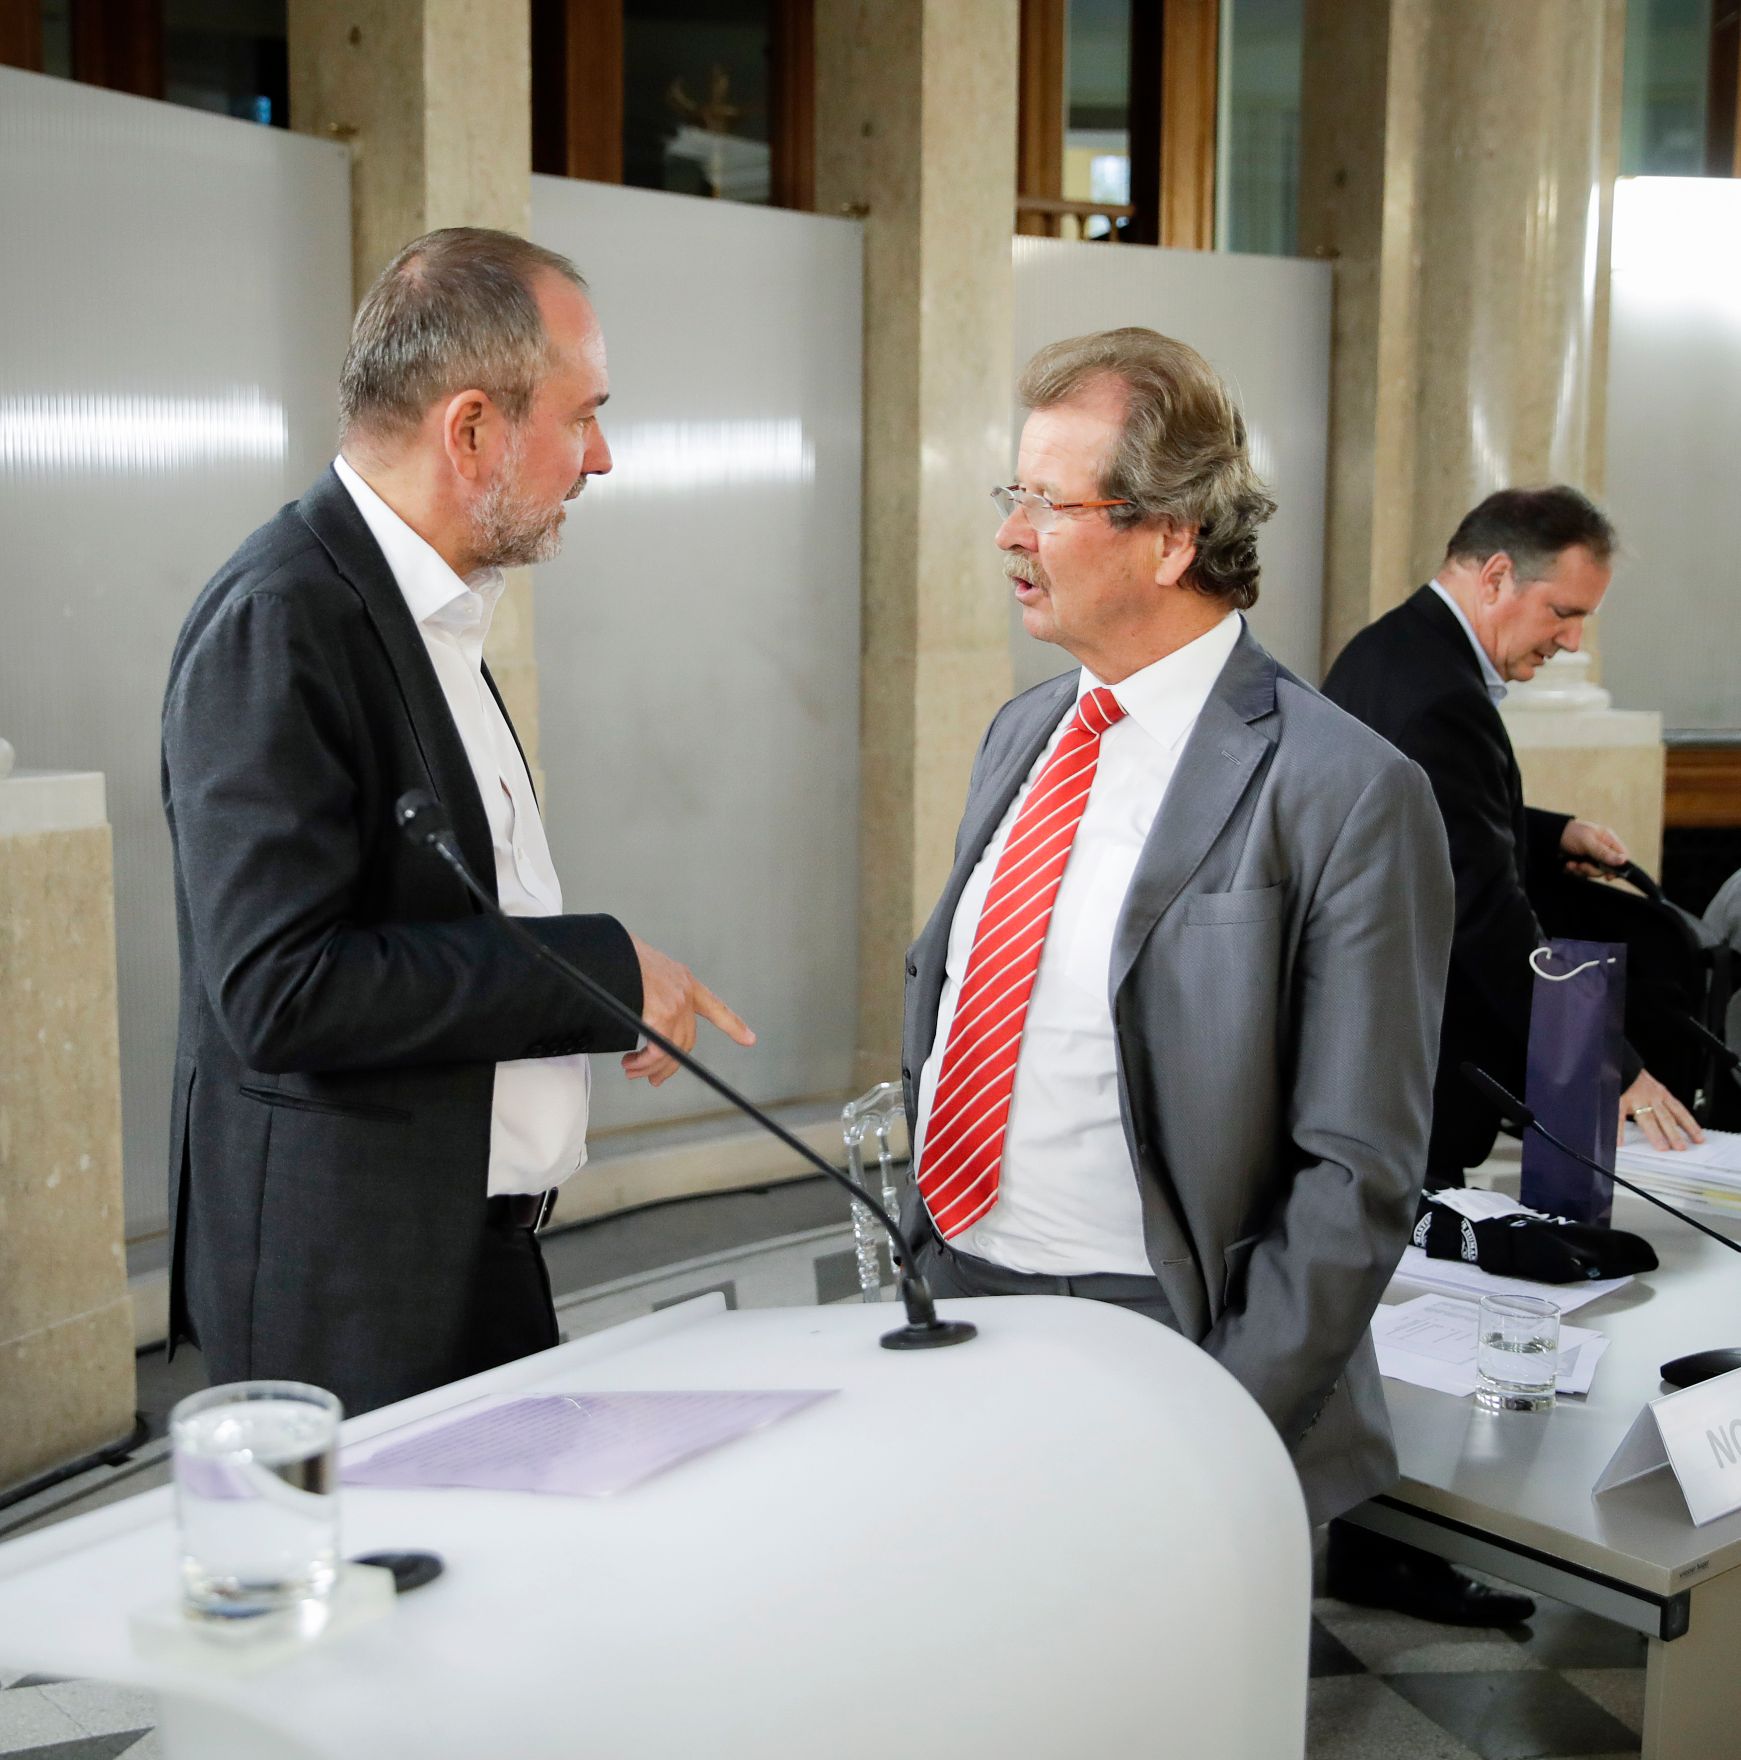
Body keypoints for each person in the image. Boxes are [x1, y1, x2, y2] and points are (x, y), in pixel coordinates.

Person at [161, 227, 754, 1416]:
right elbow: (280, 990)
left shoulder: (415, 606)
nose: (600, 459)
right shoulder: (283, 618)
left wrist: (595, 989)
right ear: (472, 428)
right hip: (354, 1301)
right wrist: (596, 971)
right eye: (582, 417)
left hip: (467, 1256)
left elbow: (443, 912)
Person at [898, 327, 1454, 1531]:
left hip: (1166, 1335)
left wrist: (1225, 1415)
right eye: (1010, 495)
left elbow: (1357, 1168)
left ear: (1171, 537)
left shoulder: (1345, 787)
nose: (1009, 534)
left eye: (1048, 503)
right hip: (960, 1299)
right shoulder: (1023, 730)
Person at [1320, 484, 1702, 1624]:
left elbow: (1439, 819)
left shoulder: (1393, 650)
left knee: (1385, 1288)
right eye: (1562, 612)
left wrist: (1548, 831)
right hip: (1408, 1048)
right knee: (1400, 1299)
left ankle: (1379, 1533)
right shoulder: (1439, 688)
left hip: (1373, 1037)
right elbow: (1480, 911)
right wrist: (1608, 1062)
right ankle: (1391, 1541)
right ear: (1494, 575)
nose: (1570, 642)